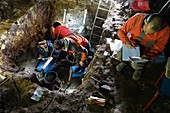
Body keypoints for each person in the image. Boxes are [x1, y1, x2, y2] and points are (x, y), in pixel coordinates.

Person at [116, 13, 170, 80]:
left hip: (145, 50)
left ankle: (138, 69)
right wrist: (126, 42)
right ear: (145, 22)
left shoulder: (165, 31)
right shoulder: (137, 18)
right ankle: (123, 62)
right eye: (145, 30)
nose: (146, 34)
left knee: (136, 64)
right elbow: (121, 31)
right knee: (120, 55)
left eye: (150, 33)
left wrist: (148, 56)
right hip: (131, 44)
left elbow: (158, 48)